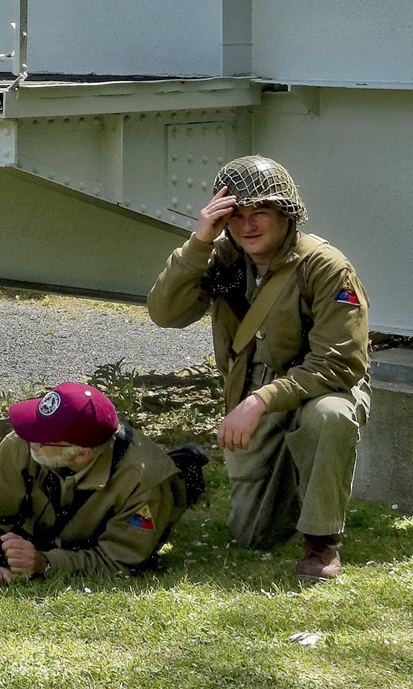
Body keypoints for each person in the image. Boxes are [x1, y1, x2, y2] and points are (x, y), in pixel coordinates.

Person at [144, 155, 371, 582]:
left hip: (321, 387)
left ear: (286, 214)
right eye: (237, 215)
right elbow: (164, 312)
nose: (248, 226)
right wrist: (199, 243)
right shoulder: (225, 257)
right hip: (254, 393)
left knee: (329, 418)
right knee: (253, 535)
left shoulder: (325, 267)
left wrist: (259, 401)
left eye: (260, 213)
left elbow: (340, 362)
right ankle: (292, 487)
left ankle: (322, 542)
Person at [0, 380, 203, 585]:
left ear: (82, 453)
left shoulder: (145, 481)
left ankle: (186, 465)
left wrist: (46, 563)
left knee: (173, 487)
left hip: (149, 493)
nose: (29, 437)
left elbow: (119, 560)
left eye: (42, 437)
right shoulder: (22, 443)